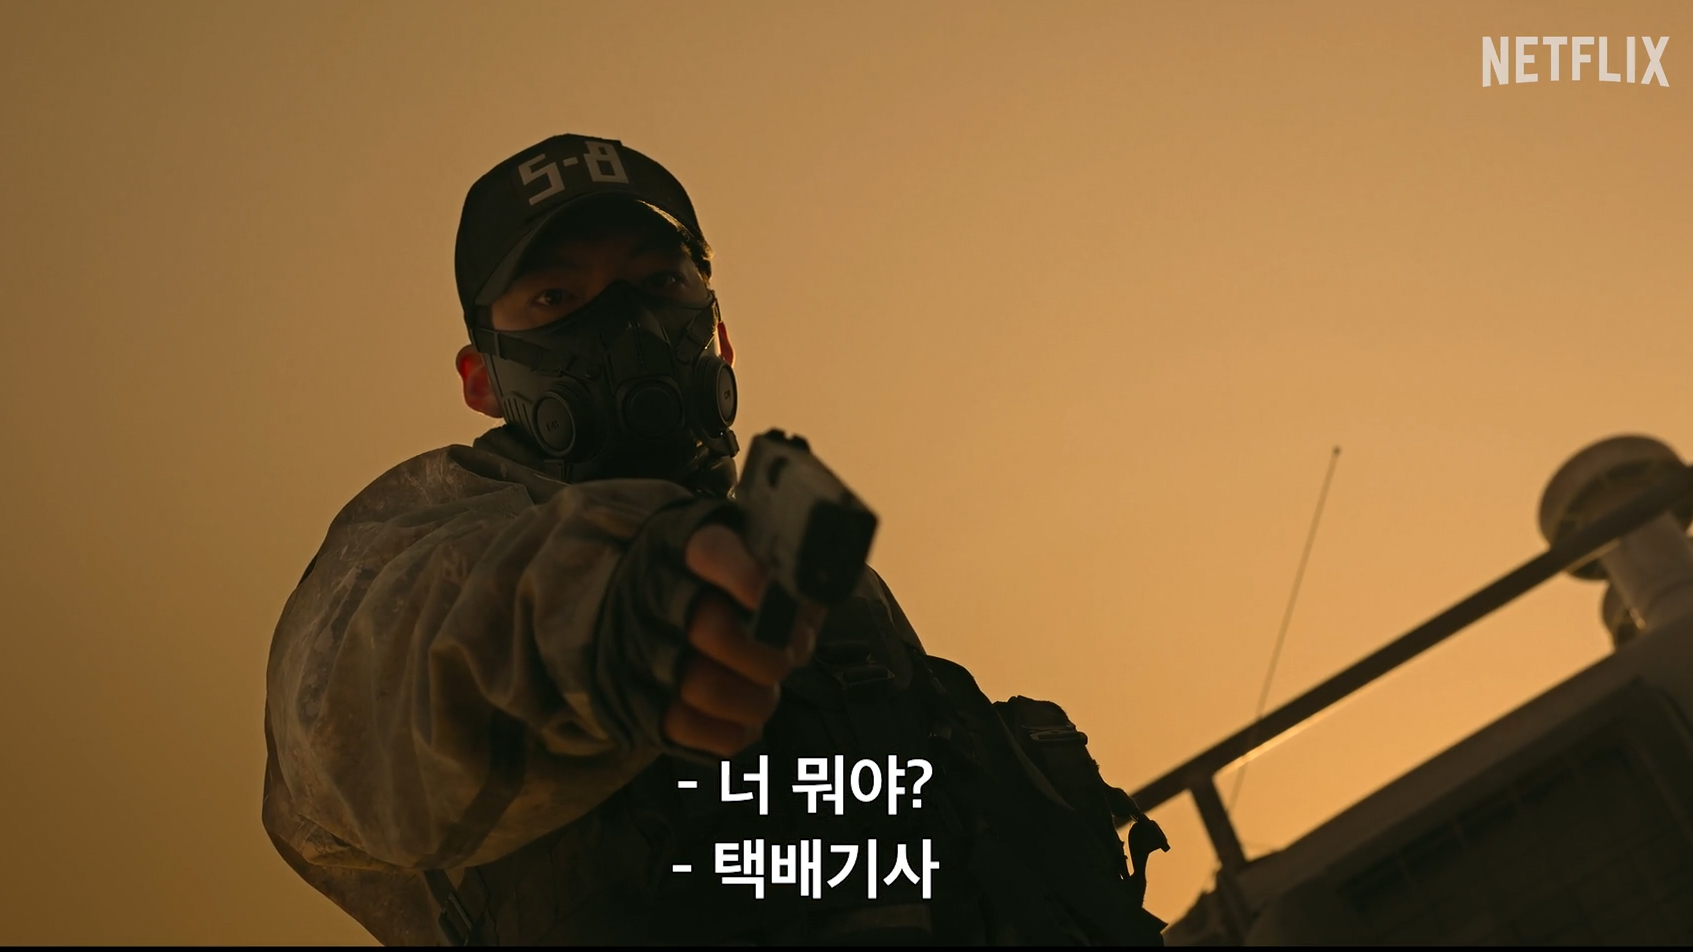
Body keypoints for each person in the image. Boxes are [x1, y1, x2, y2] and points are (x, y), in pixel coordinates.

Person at [262, 133, 1168, 946]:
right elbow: (361, 718)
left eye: (658, 282)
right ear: (481, 381)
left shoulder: (819, 588)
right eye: (556, 297)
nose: (622, 325)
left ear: (720, 335)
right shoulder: (417, 543)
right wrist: (611, 618)